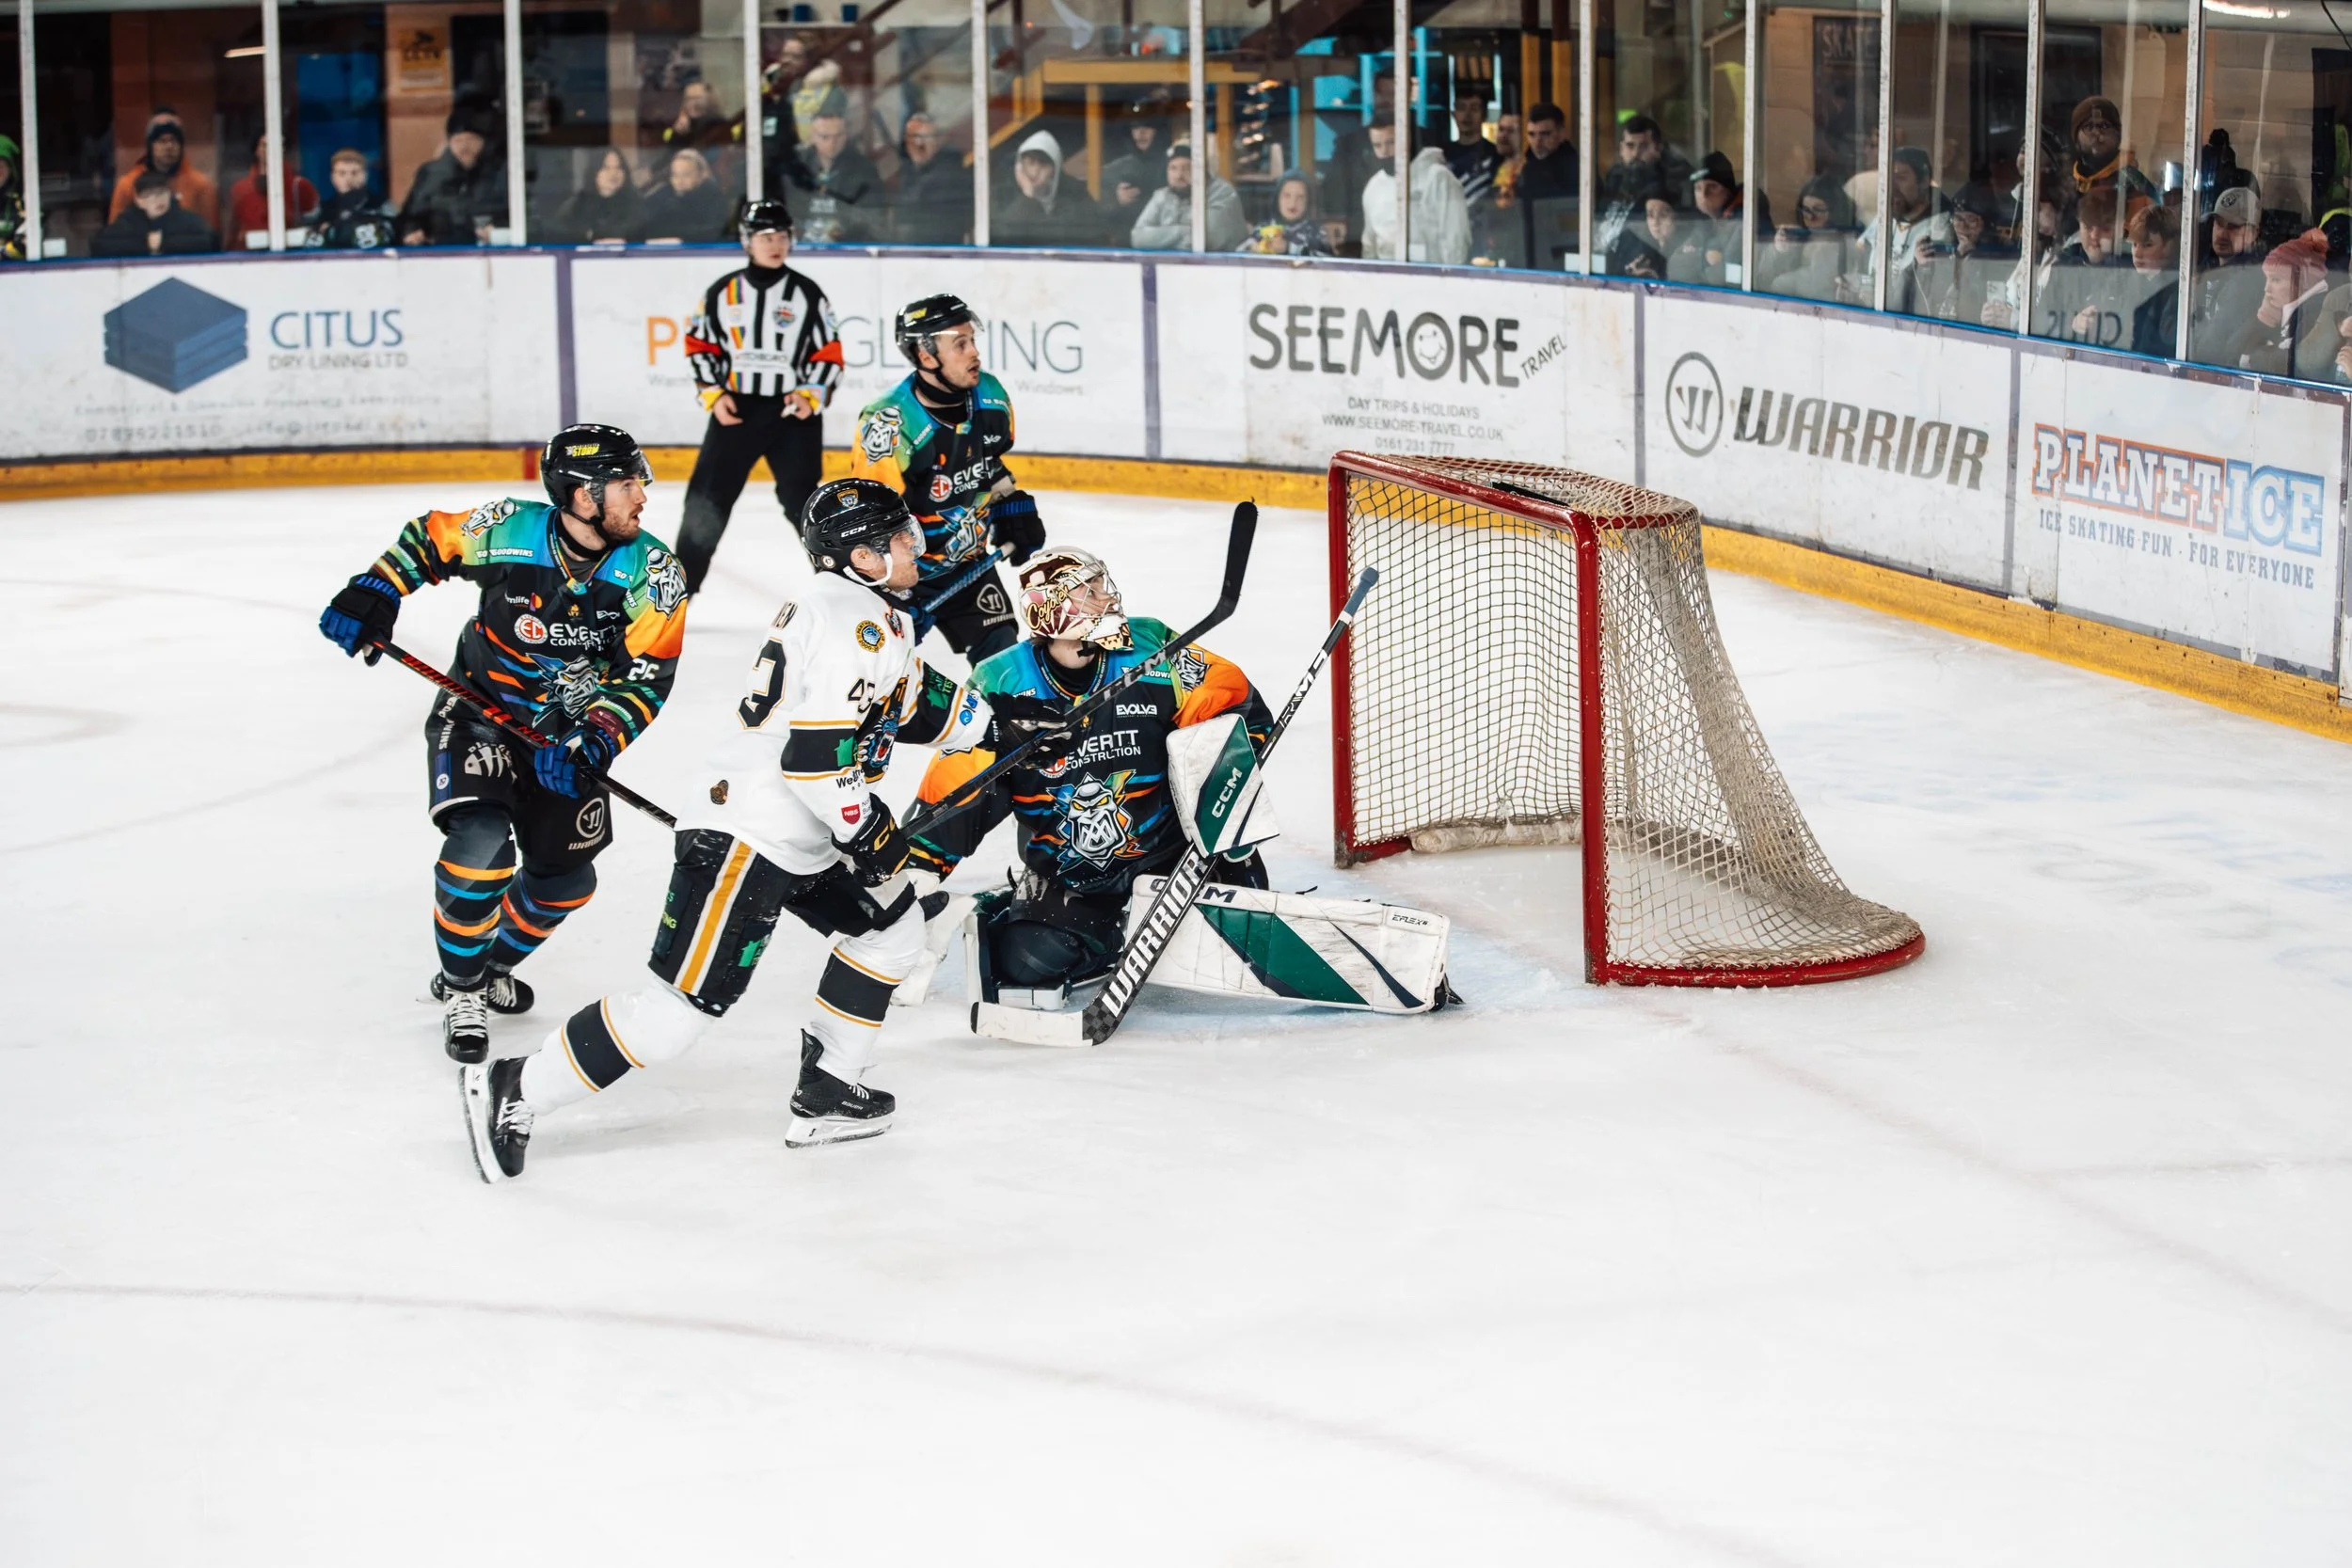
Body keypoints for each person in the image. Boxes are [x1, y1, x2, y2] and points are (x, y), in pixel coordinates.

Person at [461, 479, 993, 1180]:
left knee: (888, 931)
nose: (912, 546)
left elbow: (913, 702)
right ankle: (520, 1085)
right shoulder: (848, 621)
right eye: (896, 538)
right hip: (750, 835)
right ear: (861, 556)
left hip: (800, 834)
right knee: (677, 1013)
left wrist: (1003, 723)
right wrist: (869, 835)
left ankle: (830, 1087)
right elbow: (813, 761)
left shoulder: (871, 613)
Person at [314, 425, 687, 1064]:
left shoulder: (654, 575)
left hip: (562, 740)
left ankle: (483, 967)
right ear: (581, 494)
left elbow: (648, 676)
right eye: (627, 484)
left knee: (566, 881)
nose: (643, 497)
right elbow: (432, 537)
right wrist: (376, 587)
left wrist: (595, 738)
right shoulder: (509, 527)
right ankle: (464, 990)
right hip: (479, 715)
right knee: (480, 848)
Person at [906, 547, 1272, 995]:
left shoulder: (1151, 645)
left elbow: (1238, 705)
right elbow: (960, 783)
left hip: (1174, 858)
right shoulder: (999, 682)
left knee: (1242, 934)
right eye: (1090, 590)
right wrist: (919, 871)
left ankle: (1221, 869)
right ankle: (1073, 922)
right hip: (1074, 873)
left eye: (1103, 585)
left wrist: (1228, 805)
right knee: (1028, 962)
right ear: (1055, 610)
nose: (1108, 597)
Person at [848, 294, 1048, 662]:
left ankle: (1001, 722)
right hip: (905, 574)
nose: (975, 352)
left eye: (972, 340)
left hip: (968, 567)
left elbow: (989, 464)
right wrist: (897, 590)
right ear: (926, 356)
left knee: (1003, 657)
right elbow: (870, 518)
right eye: (961, 344)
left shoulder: (990, 396)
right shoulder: (890, 423)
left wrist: (1012, 507)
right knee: (886, 668)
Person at [675, 200, 844, 594]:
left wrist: (810, 395)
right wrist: (714, 395)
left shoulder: (806, 293)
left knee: (804, 499)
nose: (775, 244)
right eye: (766, 237)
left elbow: (829, 352)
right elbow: (700, 345)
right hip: (736, 409)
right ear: (747, 241)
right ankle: (678, 592)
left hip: (792, 412)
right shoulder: (723, 293)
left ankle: (841, 579)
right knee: (707, 499)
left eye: (782, 236)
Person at [1361, 131, 1473, 265]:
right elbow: (1369, 247)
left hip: (1433, 279)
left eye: (1391, 143)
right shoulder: (1374, 187)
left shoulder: (1439, 179)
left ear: (1407, 141)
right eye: (1377, 145)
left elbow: (1456, 241)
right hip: (1386, 280)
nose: (1385, 152)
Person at [398, 110, 507, 245]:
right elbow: (411, 215)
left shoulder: (499, 173)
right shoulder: (431, 173)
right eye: (458, 140)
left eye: (471, 139)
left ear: (483, 143)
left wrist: (498, 229)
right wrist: (413, 231)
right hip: (441, 251)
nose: (464, 146)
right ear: (449, 143)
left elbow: (516, 214)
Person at [1597, 115, 1690, 273]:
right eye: (1630, 146)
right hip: (1601, 263)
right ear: (1621, 149)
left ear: (1658, 148)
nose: (1635, 154)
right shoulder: (1615, 178)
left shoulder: (1671, 184)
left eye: (1644, 146)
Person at [1908, 185, 2013, 325]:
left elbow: (1972, 306)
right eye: (1958, 218)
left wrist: (1968, 259)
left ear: (1986, 224)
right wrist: (1918, 264)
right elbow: (1918, 300)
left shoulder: (2000, 257)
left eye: (1971, 219)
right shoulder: (1944, 251)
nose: (1963, 226)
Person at [1324, 72, 1406, 248]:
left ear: (1407, 95)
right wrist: (1336, 217)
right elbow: (1335, 183)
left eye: (1393, 94)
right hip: (1358, 235)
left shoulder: (1424, 140)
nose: (1386, 100)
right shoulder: (1349, 143)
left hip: (1410, 237)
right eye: (1381, 93)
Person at [1866, 147, 1952, 310]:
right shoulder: (1883, 219)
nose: (1892, 186)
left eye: (1901, 178)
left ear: (1925, 181)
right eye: (1888, 178)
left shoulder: (1943, 228)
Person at [107, 110, 219, 230]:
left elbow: (212, 236)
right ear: (150, 146)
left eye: (174, 140)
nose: (169, 147)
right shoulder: (127, 186)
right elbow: (115, 233)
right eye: (162, 141)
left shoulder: (201, 185)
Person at [994, 129, 1105, 247]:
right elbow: (1002, 237)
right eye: (1030, 163)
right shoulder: (1002, 194)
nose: (1035, 171)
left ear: (1055, 169)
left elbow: (1054, 238)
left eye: (1043, 165)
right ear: (1020, 166)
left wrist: (1029, 199)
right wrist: (1027, 197)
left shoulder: (1077, 194)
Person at [1756, 175, 1859, 300]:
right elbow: (1762, 277)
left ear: (1835, 210)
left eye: (1818, 210)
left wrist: (1782, 282)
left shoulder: (1845, 242)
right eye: (1805, 210)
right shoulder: (1798, 235)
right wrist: (1778, 251)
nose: (1810, 217)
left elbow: (1818, 287)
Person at [1130, 140, 1246, 251]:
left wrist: (1160, 239)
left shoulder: (1222, 192)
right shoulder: (1162, 195)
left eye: (1187, 168)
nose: (1179, 175)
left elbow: (1208, 240)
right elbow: (1138, 238)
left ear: (1202, 170)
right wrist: (1182, 231)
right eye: (1173, 168)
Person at [788, 109, 882, 242]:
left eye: (838, 136)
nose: (832, 143)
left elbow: (872, 215)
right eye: (825, 137)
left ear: (846, 136)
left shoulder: (864, 169)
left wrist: (844, 228)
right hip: (801, 244)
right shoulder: (796, 166)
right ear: (812, 136)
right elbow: (789, 208)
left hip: (848, 246)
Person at [2067, 95, 2158, 229]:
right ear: (2076, 139)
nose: (2097, 133)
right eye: (2088, 127)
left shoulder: (2132, 183)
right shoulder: (2069, 183)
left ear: (2118, 135)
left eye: (2104, 126)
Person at [90, 169, 218, 257]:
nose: (158, 199)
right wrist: (145, 244)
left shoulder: (186, 219)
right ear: (138, 200)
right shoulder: (127, 221)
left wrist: (164, 244)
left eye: (161, 193)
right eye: (149, 195)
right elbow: (100, 245)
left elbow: (208, 241)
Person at [224, 133, 320, 248]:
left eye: (277, 145)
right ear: (256, 150)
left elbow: (315, 227)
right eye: (264, 145)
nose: (270, 150)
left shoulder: (300, 186)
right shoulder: (240, 189)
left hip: (292, 256)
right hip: (249, 258)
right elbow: (232, 231)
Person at [890, 112, 971, 244]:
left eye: (925, 137)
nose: (918, 143)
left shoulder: (948, 176)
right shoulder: (910, 169)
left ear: (938, 141)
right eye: (913, 137)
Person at [1443, 87, 1503, 259]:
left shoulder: (1496, 156)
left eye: (1474, 108)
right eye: (1461, 108)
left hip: (1485, 240)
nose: (1467, 115)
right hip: (1449, 240)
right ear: (1454, 114)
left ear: (1485, 116)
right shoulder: (1441, 155)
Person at [1518, 103, 1579, 269]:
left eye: (1545, 134)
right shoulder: (1524, 168)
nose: (1537, 142)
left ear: (1561, 133)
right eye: (1531, 134)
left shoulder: (1578, 169)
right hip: (1529, 252)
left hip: (1563, 257)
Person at [305, 148, 397, 250]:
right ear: (333, 177)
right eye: (342, 173)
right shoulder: (323, 210)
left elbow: (393, 235)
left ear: (365, 175)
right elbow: (309, 244)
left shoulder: (381, 205)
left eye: (354, 173)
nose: (348, 178)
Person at [552, 148, 645, 244]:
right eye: (606, 168)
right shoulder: (576, 206)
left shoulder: (635, 203)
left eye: (618, 167)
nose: (613, 173)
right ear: (594, 171)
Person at [2126, 204, 2183, 357]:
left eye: (2147, 245)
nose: (2137, 253)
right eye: (2134, 244)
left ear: (2170, 246)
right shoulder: (2129, 284)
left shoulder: (2178, 292)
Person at [642, 147, 729, 242]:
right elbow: (647, 227)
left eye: (686, 175)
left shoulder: (714, 198)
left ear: (702, 174)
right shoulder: (663, 197)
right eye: (675, 175)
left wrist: (681, 237)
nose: (679, 181)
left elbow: (715, 231)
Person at [1236, 170, 1331, 256]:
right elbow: (1238, 253)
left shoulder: (1317, 232)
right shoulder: (1263, 228)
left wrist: (1289, 248)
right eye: (1287, 196)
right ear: (1277, 199)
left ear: (1308, 201)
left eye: (1300, 197)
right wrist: (1253, 248)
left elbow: (1329, 263)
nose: (1293, 203)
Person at [2, 135, 32, 261]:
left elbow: (28, 238)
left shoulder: (22, 198)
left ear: (11, 169)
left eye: (2, 166)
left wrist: (5, 251)